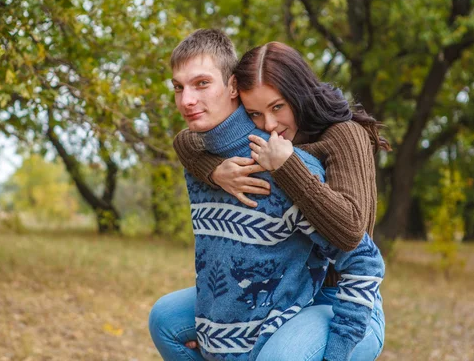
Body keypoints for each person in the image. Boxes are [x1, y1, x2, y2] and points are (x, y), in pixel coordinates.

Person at [149, 29, 385, 361]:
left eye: (278, 107)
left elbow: (351, 237)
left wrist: (287, 166)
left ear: (298, 95)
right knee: (165, 319)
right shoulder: (256, 147)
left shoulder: (343, 137)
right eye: (256, 114)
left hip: (341, 293)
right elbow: (192, 138)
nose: (270, 125)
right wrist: (213, 169)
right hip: (286, 286)